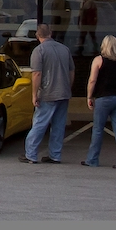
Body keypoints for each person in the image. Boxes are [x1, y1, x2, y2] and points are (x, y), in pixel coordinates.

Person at [23, 23, 74, 164]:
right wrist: (67, 87)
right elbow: (71, 72)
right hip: (63, 92)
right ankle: (55, 155)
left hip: (47, 93)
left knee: (39, 123)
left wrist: (34, 94)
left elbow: (37, 74)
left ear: (37, 35)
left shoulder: (39, 51)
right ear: (50, 33)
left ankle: (31, 154)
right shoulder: (65, 49)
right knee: (58, 125)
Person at [83, 35, 116, 169]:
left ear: (103, 45)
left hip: (103, 98)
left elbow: (92, 80)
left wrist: (89, 97)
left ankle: (92, 160)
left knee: (98, 129)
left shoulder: (98, 60)